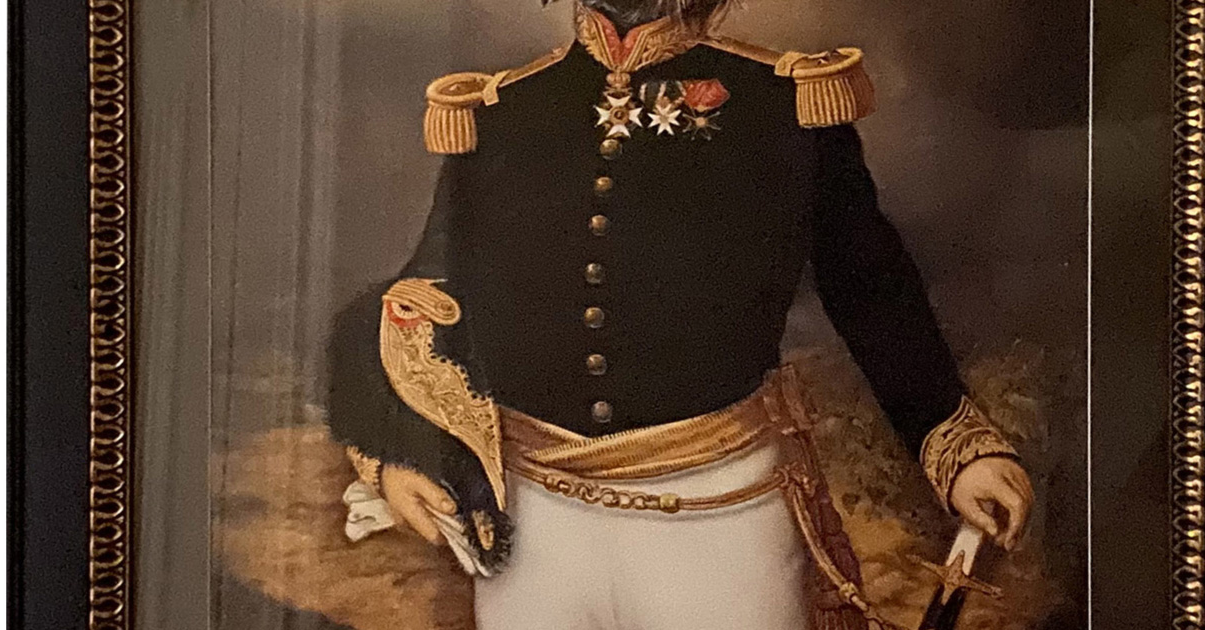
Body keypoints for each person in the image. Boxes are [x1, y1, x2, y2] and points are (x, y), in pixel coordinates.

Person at [327, 1, 1034, 628]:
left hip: (721, 518)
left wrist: (956, 446)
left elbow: (869, 287)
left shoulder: (781, 104)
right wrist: (396, 452)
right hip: (532, 530)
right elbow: (426, 299)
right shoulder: (505, 112)